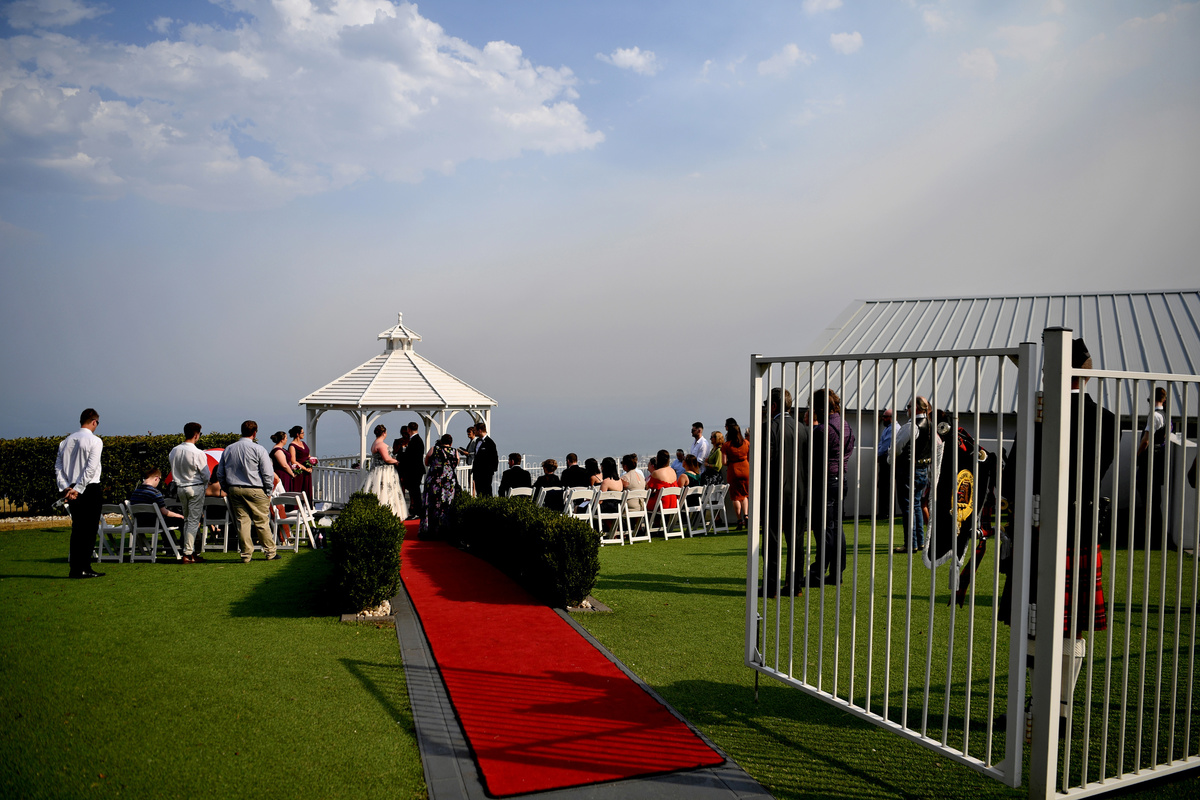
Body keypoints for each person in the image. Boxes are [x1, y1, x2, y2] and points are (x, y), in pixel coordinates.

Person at [999, 336, 1114, 732]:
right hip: (1080, 531)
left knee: (1034, 622)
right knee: (1072, 625)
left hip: (1037, 530)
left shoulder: (1038, 412)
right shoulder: (1107, 419)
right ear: (1087, 372)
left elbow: (1014, 476)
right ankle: (1059, 713)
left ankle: (1035, 708)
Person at [804, 388, 854, 589]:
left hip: (825, 481)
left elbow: (811, 459)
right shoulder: (846, 425)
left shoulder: (823, 430)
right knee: (836, 527)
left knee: (823, 528)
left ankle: (817, 573)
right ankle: (836, 572)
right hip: (841, 478)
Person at [761, 389, 806, 597]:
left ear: (773, 406)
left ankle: (771, 586)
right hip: (799, 492)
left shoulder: (769, 428)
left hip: (774, 492)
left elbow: (766, 462)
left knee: (772, 541)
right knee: (796, 540)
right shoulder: (802, 429)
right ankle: (795, 585)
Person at [213, 420, 278, 562]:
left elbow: (220, 472)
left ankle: (246, 554)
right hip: (255, 488)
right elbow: (268, 473)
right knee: (261, 521)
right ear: (255, 433)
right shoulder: (259, 449)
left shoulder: (229, 449)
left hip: (234, 488)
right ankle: (270, 552)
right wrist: (268, 491)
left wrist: (226, 487)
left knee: (242, 522)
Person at [55, 408, 105, 579]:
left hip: (71, 488)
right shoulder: (95, 441)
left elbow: (58, 468)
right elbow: (91, 468)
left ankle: (75, 568)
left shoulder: (65, 442)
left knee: (77, 528)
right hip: (89, 488)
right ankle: (84, 566)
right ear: (94, 422)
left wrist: (66, 487)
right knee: (89, 529)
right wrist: (78, 488)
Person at [890, 397, 941, 554]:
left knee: (908, 507)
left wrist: (890, 459)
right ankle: (919, 541)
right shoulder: (931, 426)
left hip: (908, 470)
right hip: (923, 469)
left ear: (917, 408)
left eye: (909, 406)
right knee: (917, 505)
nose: (907, 409)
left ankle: (910, 543)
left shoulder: (911, 426)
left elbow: (897, 448)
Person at [169, 421, 212, 564]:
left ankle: (190, 551)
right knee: (193, 521)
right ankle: (188, 553)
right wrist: (205, 485)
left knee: (187, 519)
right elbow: (206, 474)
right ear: (196, 435)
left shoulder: (174, 450)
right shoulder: (198, 452)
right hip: (195, 487)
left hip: (180, 487)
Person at [1136, 387, 1172, 549]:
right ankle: (1155, 537)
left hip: (1150, 461)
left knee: (1148, 500)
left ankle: (1150, 538)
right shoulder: (1165, 415)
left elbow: (1146, 440)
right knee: (1154, 500)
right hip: (1158, 461)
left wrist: (1137, 456)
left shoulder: (1155, 416)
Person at [364, 424, 408, 518]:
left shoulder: (375, 443)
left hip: (376, 469)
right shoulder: (381, 445)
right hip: (384, 471)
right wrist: (396, 462)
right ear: (384, 433)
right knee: (385, 490)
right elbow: (387, 459)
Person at [421, 434, 459, 539]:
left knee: (432, 504)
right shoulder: (455, 451)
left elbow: (426, 462)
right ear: (451, 443)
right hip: (448, 483)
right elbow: (456, 463)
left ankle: (430, 529)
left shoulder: (434, 449)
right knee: (447, 504)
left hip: (434, 481)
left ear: (441, 441)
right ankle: (445, 529)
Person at [129, 466, 187, 530]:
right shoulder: (155, 493)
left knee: (164, 523)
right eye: (159, 479)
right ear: (156, 478)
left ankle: (168, 537)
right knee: (182, 521)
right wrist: (179, 515)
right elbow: (164, 512)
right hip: (154, 523)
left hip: (139, 524)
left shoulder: (135, 493)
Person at [723, 418, 750, 528]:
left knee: (735, 497)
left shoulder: (726, 445)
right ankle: (746, 515)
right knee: (745, 495)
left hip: (733, 470)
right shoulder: (746, 443)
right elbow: (749, 457)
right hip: (745, 469)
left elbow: (724, 462)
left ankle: (739, 519)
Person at [875, 409, 898, 520]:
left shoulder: (893, 429)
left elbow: (885, 445)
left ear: (891, 418)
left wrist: (878, 454)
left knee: (886, 486)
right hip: (886, 459)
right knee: (884, 485)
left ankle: (886, 512)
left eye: (885, 417)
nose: (883, 418)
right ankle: (885, 511)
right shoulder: (888, 428)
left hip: (888, 460)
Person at [646, 448, 680, 513]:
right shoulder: (672, 471)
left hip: (662, 504)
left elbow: (648, 489)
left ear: (658, 459)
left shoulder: (656, 473)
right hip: (674, 503)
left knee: (644, 504)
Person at [403, 422, 425, 519]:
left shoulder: (415, 441)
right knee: (414, 491)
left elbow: (412, 457)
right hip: (416, 470)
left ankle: (417, 512)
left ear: (408, 430)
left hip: (414, 470)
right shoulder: (417, 440)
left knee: (415, 492)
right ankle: (416, 511)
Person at [287, 425, 314, 503]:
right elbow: (293, 461)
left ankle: (308, 506)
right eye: (302, 432)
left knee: (307, 490)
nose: (304, 434)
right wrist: (305, 469)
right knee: (299, 489)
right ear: (297, 434)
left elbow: (308, 455)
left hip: (307, 471)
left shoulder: (303, 443)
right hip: (300, 471)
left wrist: (311, 465)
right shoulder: (292, 446)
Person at [472, 421, 499, 497]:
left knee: (486, 491)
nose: (474, 432)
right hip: (477, 472)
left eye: (475, 430)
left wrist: (491, 470)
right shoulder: (477, 441)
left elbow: (494, 457)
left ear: (480, 430)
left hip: (486, 472)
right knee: (479, 491)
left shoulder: (490, 443)